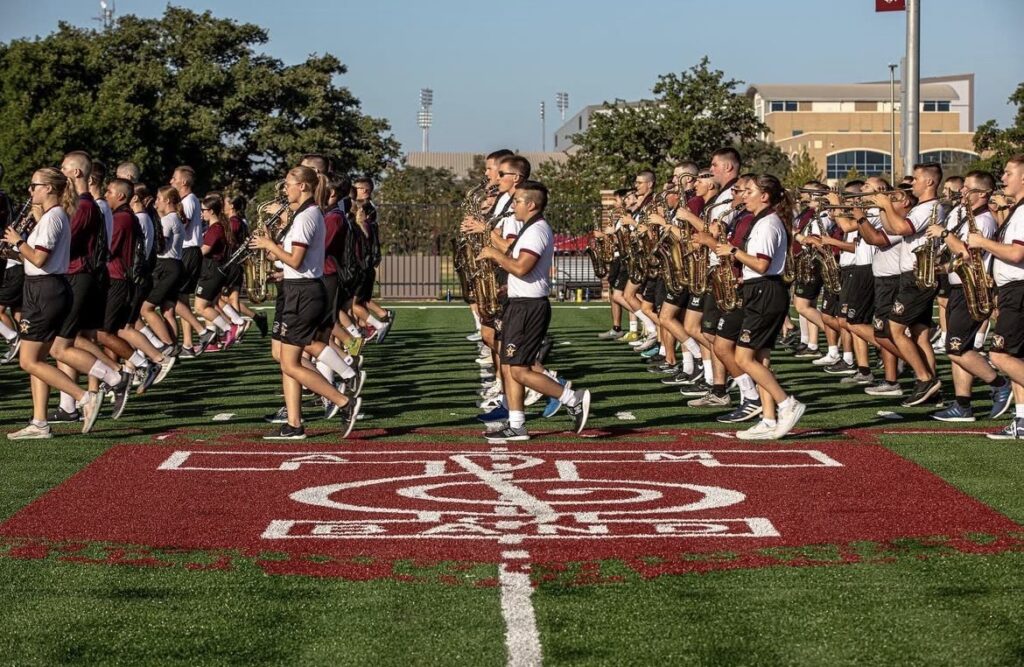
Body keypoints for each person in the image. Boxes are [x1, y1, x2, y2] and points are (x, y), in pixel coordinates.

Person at [250, 166, 361, 440]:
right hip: (296, 289)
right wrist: (277, 262)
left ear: (302, 187)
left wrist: (269, 244)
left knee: (291, 363)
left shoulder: (306, 216)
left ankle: (344, 401)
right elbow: (296, 261)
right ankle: (294, 422)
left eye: (288, 183)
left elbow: (296, 260)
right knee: (284, 358)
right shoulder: (305, 214)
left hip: (303, 294)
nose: (284, 188)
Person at [474, 181, 591, 441]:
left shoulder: (537, 230)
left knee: (519, 370)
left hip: (529, 307)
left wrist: (494, 254)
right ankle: (517, 424)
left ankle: (572, 398)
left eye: (517, 201)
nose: (513, 205)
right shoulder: (529, 228)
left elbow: (521, 267)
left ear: (531, 204)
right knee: (509, 365)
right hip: (519, 304)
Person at [4, 168, 103, 439]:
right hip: (43, 288)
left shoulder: (54, 217)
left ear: (49, 188)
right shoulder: (50, 216)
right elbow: (33, 257)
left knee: (28, 361)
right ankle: (40, 422)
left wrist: (18, 241)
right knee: (37, 359)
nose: (30, 190)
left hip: (44, 291)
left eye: (34, 185)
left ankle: (84, 397)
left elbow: (39, 260)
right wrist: (12, 249)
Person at [713, 174, 806, 440]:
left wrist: (731, 251)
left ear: (764, 196)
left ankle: (787, 403)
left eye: (749, 191)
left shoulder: (767, 223)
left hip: (766, 292)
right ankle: (767, 418)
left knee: (744, 357)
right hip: (760, 289)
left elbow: (762, 264)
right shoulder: (763, 220)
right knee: (761, 359)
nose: (744, 195)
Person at [925, 171, 1009, 422]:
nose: (962, 191)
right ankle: (963, 405)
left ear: (983, 193)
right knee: (960, 346)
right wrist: (942, 268)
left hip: (970, 288)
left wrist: (943, 234)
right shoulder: (967, 215)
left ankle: (1000, 384)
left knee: (956, 349)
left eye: (968, 189)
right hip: (958, 286)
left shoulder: (983, 220)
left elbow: (966, 252)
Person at [872, 162, 946, 407]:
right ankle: (931, 389)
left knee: (895, 329)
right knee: (920, 335)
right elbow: (893, 226)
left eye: (915, 179)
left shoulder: (930, 207)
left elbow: (903, 227)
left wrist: (885, 205)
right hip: (911, 275)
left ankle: (924, 378)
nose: (911, 183)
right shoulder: (921, 207)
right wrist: (883, 208)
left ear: (929, 182)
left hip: (918, 277)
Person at [964, 155, 1024, 438]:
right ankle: (1022, 421)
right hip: (1011, 289)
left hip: (1019, 290)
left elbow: (1017, 253)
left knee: (999, 356)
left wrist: (981, 242)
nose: (1003, 178)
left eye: (1009, 173)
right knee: (1016, 357)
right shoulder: (1017, 210)